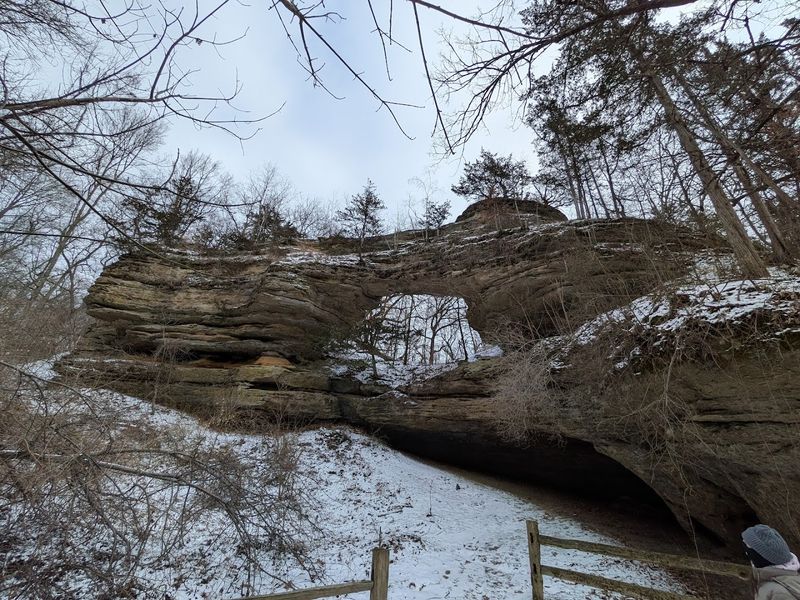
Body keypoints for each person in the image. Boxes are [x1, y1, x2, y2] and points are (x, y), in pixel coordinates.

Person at [743, 525, 800, 599]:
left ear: (759, 556)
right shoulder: (791, 578)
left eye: (747, 547)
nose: (746, 553)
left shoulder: (777, 593)